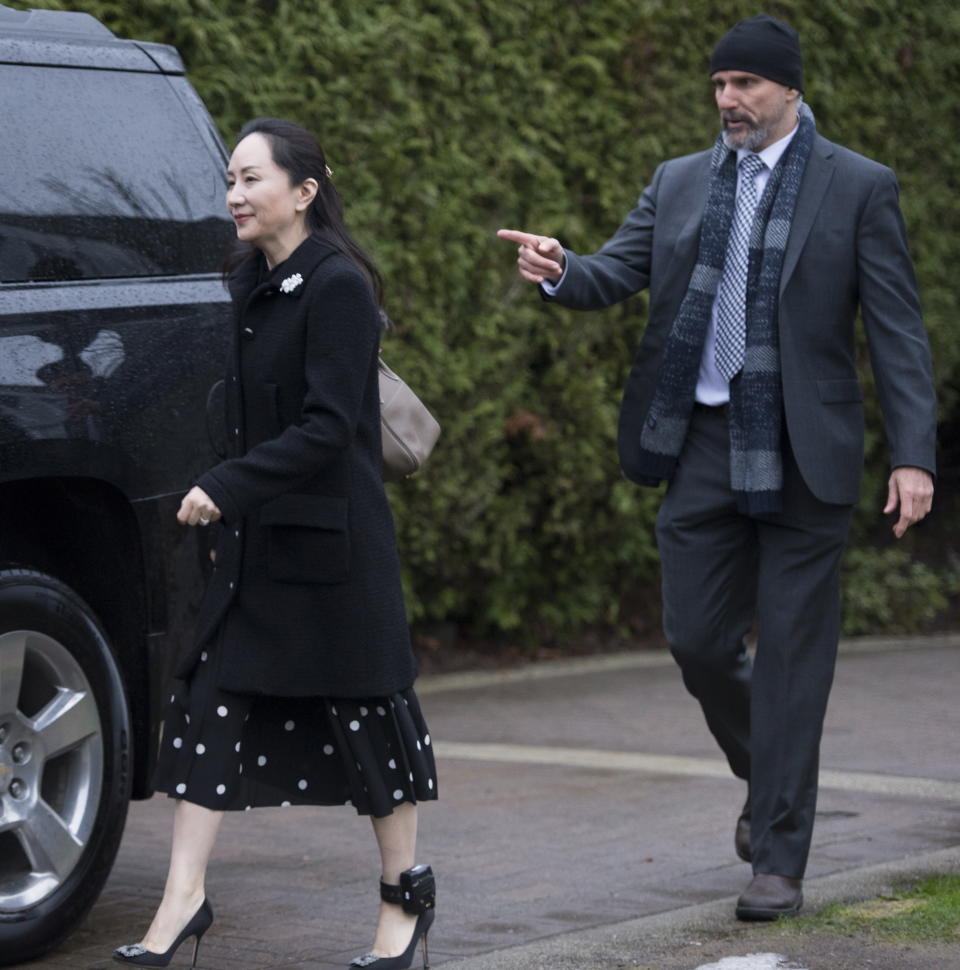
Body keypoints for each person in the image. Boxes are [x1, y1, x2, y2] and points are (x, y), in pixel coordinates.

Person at [499, 14, 936, 920]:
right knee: (697, 640)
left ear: (789, 89)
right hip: (700, 443)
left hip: (806, 453)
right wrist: (557, 269)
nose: (727, 100)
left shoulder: (858, 185)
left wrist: (913, 456)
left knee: (792, 666)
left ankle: (778, 859)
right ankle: (765, 768)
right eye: (717, 85)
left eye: (744, 84)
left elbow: (896, 329)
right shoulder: (682, 180)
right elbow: (616, 272)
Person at [113, 118, 437, 969]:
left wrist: (225, 487)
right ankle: (182, 902)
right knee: (210, 702)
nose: (233, 196)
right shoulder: (251, 277)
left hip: (334, 552)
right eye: (229, 179)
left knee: (371, 721)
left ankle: (405, 903)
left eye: (251, 179)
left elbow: (331, 427)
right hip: (256, 548)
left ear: (304, 190)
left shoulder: (338, 287)